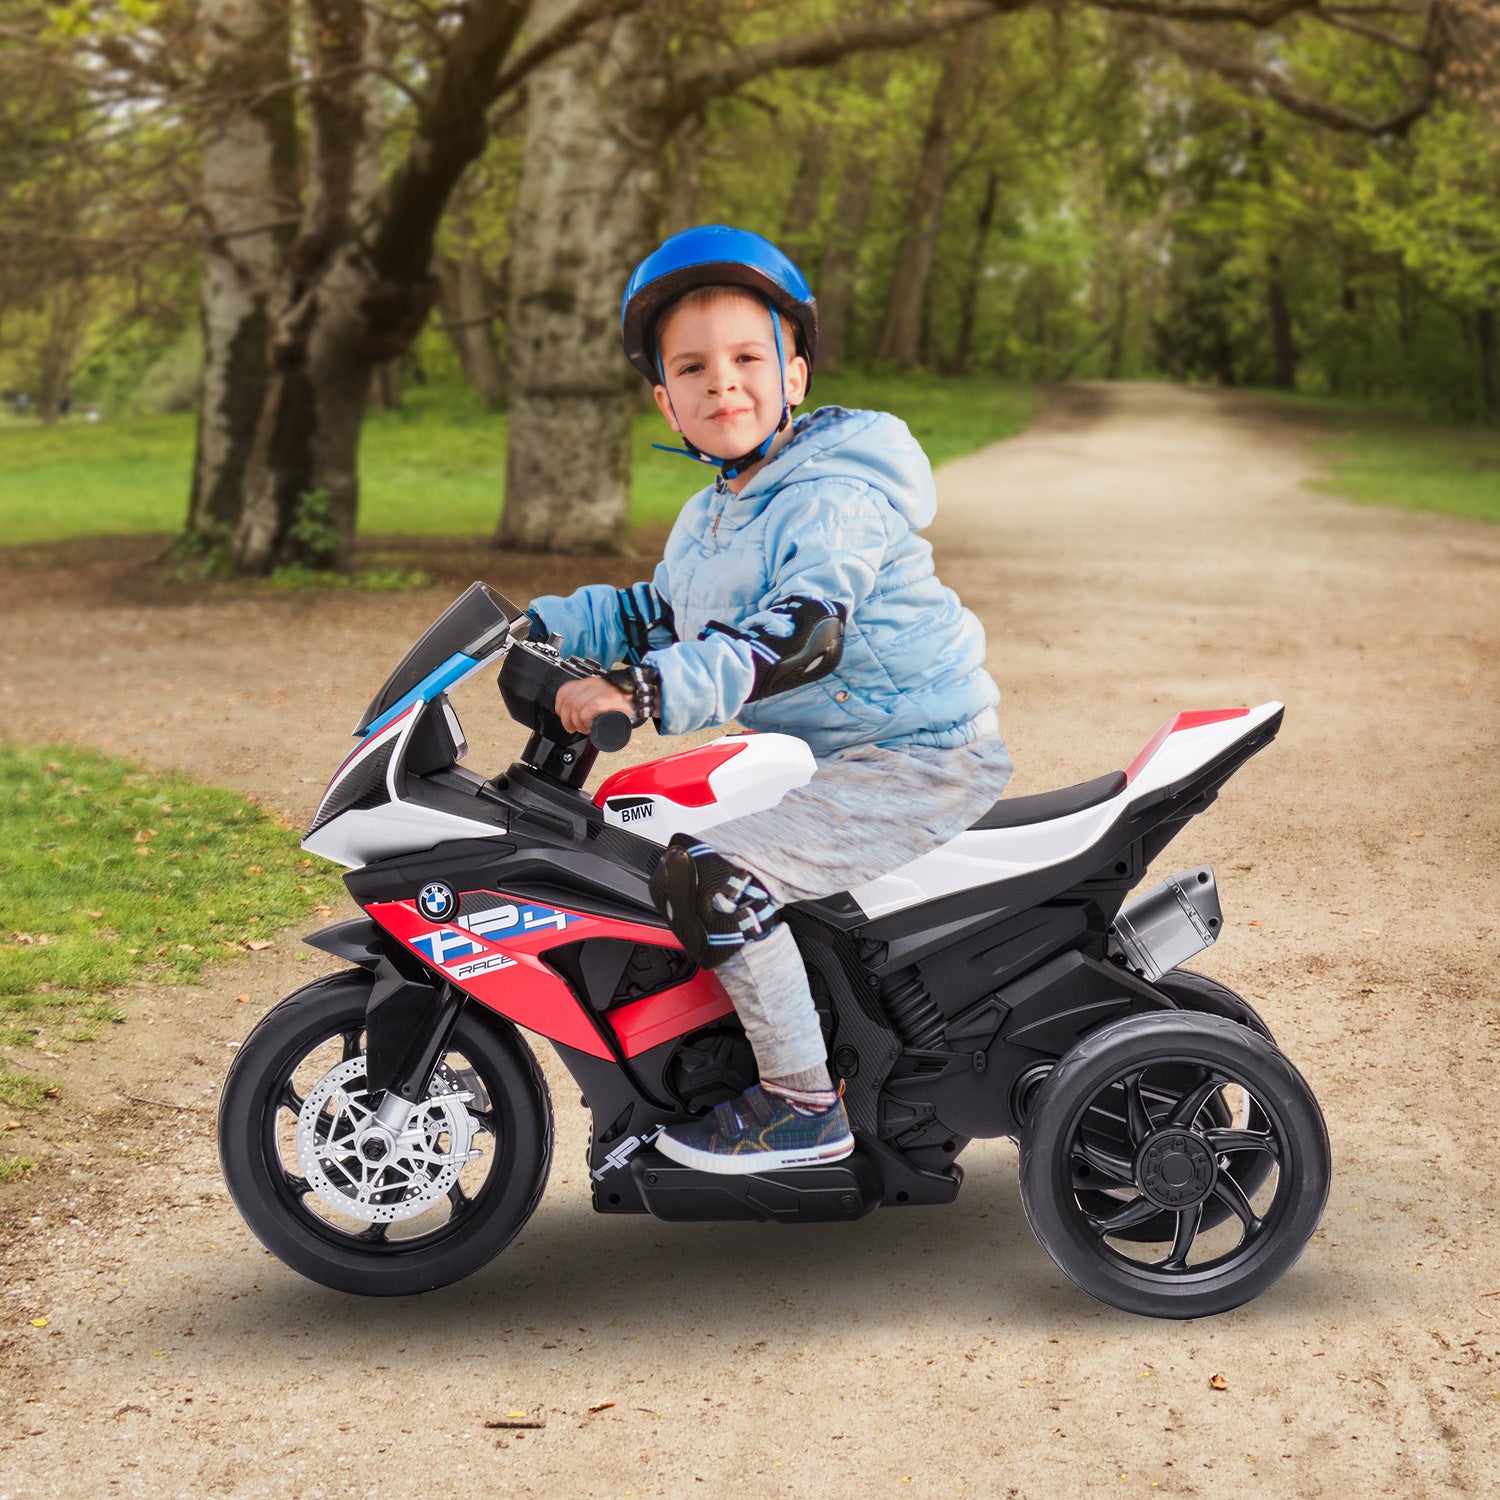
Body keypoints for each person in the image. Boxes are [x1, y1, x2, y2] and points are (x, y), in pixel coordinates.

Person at [527, 225, 1011, 1174]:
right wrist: (537, 628)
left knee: (712, 877)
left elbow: (798, 635)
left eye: (748, 357)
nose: (724, 384)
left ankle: (800, 1107)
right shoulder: (718, 509)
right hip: (846, 751)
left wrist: (641, 688)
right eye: (694, 369)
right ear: (664, 398)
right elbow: (663, 610)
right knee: (646, 823)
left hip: (920, 756)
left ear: (793, 375)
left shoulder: (830, 496)